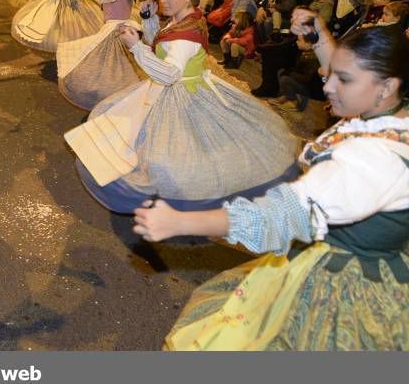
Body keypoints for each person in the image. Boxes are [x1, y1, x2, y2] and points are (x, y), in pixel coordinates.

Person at [137, 20, 409, 350]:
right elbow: (352, 70)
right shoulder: (390, 116)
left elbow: (282, 214)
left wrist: (182, 221)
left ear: (387, 86)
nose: (327, 86)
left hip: (343, 281)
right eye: (331, 73)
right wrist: (319, 35)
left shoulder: (375, 159)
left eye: (343, 79)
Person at [65, 0, 297, 212]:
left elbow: (168, 73)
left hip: (183, 94)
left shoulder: (186, 34)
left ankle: (168, 199)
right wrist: (149, 21)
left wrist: (135, 47)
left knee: (170, 152)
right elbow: (162, 44)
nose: (163, 0)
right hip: (176, 86)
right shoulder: (188, 18)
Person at [56, 0, 143, 110]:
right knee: (125, 69)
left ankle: (111, 103)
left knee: (102, 71)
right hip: (129, 26)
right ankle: (125, 101)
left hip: (114, 31)